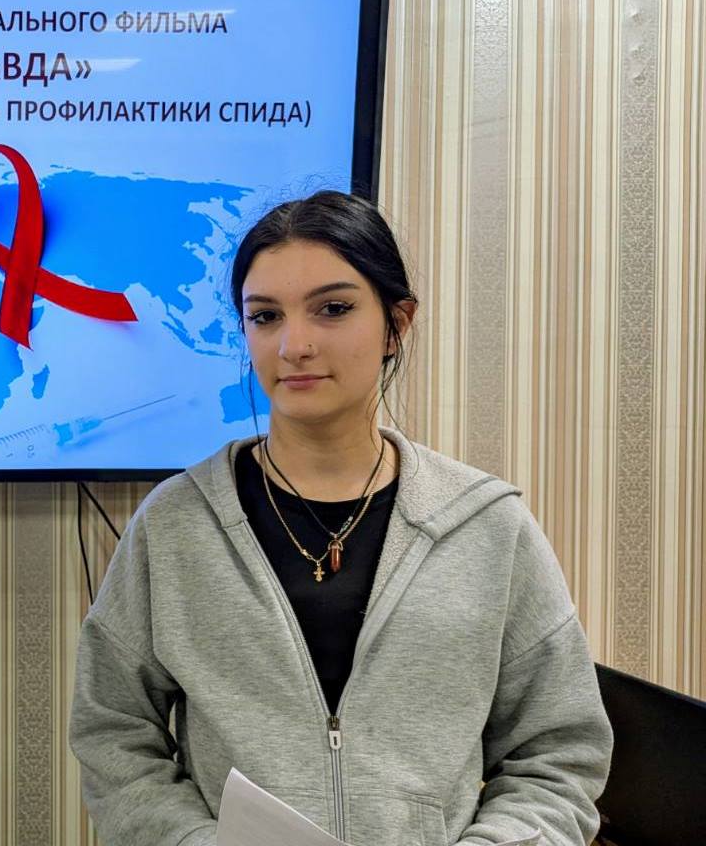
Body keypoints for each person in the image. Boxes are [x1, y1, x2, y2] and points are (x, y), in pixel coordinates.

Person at [70, 191, 612, 846]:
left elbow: (557, 754)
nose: (294, 344)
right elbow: (113, 736)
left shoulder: (490, 526)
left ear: (396, 325)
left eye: (332, 309)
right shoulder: (174, 525)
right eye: (266, 316)